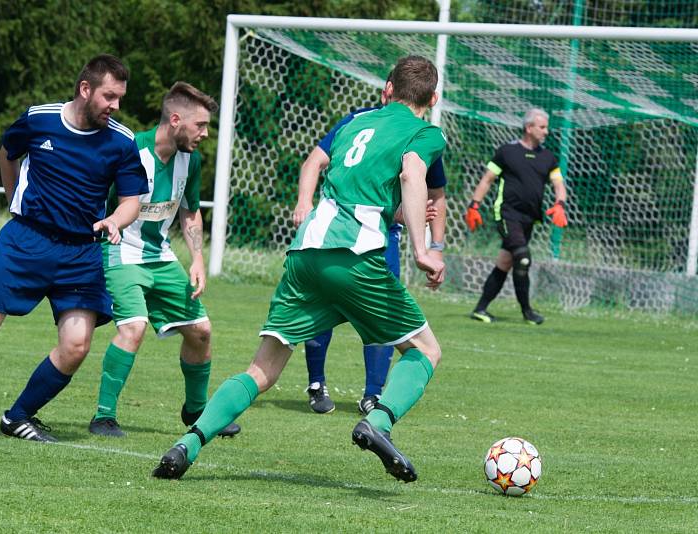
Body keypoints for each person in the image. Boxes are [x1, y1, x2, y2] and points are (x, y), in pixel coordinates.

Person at [153, 55, 447, 483]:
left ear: (388, 89)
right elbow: (413, 175)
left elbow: (351, 184)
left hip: (305, 251)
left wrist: (398, 215)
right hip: (353, 256)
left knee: (262, 370)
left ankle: (187, 445)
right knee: (425, 351)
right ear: (433, 98)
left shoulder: (354, 125)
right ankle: (377, 423)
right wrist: (424, 248)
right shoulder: (425, 133)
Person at [0, 54, 148, 442]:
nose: (115, 106)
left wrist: (114, 221)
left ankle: (18, 417)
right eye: (109, 96)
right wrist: (12, 199)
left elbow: (132, 200)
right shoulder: (40, 119)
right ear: (85, 90)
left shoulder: (122, 141)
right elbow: (8, 150)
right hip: (26, 241)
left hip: (81, 253)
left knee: (76, 346)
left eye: (120, 97)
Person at [87, 82, 239, 439]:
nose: (204, 134)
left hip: (161, 256)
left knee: (201, 331)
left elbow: (189, 213)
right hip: (120, 251)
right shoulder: (128, 149)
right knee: (133, 328)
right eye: (200, 125)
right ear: (174, 120)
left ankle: (198, 412)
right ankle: (103, 416)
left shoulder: (192, 158)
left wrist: (198, 259)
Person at [292, 74, 448, 416]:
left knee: (382, 318)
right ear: (432, 99)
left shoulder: (419, 137)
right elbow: (315, 162)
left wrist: (435, 241)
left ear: (390, 90)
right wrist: (304, 201)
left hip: (378, 237)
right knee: (324, 313)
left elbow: (433, 194)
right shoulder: (357, 122)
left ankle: (372, 394)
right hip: (344, 232)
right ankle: (318, 384)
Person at [465, 108, 567, 325]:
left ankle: (480, 309)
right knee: (523, 257)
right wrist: (474, 205)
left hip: (529, 219)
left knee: (505, 261)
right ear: (528, 128)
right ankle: (527, 312)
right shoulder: (507, 152)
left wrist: (560, 205)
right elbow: (487, 179)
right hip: (506, 214)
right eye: (542, 127)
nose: (546, 132)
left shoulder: (548, 157)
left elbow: (559, 184)